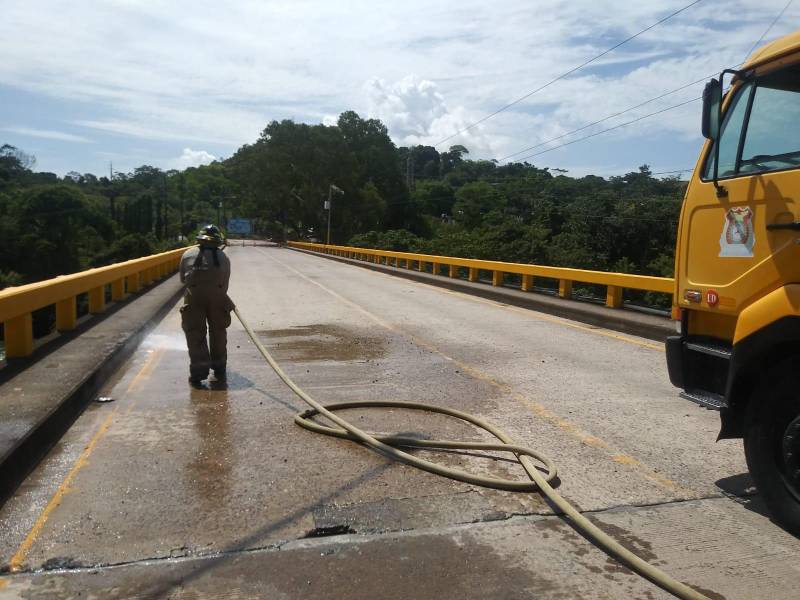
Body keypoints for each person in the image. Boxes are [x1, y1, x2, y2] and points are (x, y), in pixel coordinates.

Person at [179, 224, 235, 387]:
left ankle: (198, 373)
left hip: (193, 297)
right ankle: (219, 369)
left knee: (195, 333)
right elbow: (225, 284)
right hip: (218, 298)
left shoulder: (187, 254)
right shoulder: (224, 258)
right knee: (218, 332)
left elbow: (183, 279)